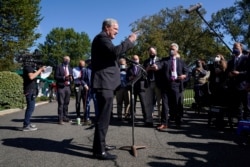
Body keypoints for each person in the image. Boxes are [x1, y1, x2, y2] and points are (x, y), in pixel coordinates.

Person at [91, 18, 137, 160]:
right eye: (115, 29)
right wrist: (129, 41)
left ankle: (101, 145)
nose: (117, 32)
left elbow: (113, 54)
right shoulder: (101, 39)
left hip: (107, 84)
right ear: (107, 28)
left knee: (104, 118)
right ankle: (100, 151)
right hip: (104, 84)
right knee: (103, 118)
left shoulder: (105, 40)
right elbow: (114, 52)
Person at [154, 43, 188, 129]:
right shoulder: (164, 60)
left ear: (177, 50)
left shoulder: (181, 61)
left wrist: (184, 76)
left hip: (177, 85)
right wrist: (156, 66)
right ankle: (164, 123)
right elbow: (159, 65)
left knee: (177, 104)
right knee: (165, 105)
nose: (171, 50)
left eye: (173, 49)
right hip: (166, 86)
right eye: (170, 49)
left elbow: (187, 72)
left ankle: (178, 122)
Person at [225, 42, 249, 125]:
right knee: (237, 107)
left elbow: (248, 72)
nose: (235, 49)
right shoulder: (231, 61)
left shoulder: (246, 59)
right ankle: (239, 123)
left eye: (236, 47)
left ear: (241, 48)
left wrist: (239, 73)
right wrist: (229, 74)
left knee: (246, 106)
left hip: (243, 86)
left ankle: (246, 123)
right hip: (233, 87)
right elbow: (227, 72)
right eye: (233, 47)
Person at [22, 62, 46, 131]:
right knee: (30, 108)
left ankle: (27, 123)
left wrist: (40, 70)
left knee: (31, 108)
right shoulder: (28, 67)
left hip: (31, 90)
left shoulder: (29, 68)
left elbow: (35, 75)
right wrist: (40, 69)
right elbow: (31, 76)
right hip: (29, 90)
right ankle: (26, 125)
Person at [143, 46, 162, 126]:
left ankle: (161, 119)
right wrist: (147, 69)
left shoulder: (160, 60)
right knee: (148, 103)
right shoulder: (146, 61)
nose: (151, 53)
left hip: (158, 83)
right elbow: (142, 73)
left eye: (153, 52)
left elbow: (164, 70)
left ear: (156, 52)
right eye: (150, 52)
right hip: (148, 83)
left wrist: (157, 68)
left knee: (160, 102)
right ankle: (149, 120)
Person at [126, 55, 148, 121]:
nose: (135, 60)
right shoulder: (129, 68)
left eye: (136, 59)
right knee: (132, 103)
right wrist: (129, 78)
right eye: (134, 59)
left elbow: (146, 75)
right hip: (133, 87)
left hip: (141, 87)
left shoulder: (142, 67)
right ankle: (132, 117)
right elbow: (127, 78)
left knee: (143, 103)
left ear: (138, 60)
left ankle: (145, 117)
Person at [54, 56, 73, 125]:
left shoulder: (70, 68)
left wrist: (71, 78)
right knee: (61, 103)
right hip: (61, 87)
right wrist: (64, 77)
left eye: (69, 60)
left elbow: (72, 77)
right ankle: (60, 119)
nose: (68, 61)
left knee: (66, 103)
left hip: (68, 87)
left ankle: (65, 117)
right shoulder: (59, 67)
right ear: (63, 60)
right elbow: (55, 76)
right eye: (66, 59)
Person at [83, 58, 98, 125]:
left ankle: (97, 117)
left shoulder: (96, 69)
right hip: (88, 88)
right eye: (89, 61)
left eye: (91, 61)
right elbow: (82, 80)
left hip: (95, 88)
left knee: (96, 103)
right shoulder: (85, 70)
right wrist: (85, 85)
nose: (90, 62)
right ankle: (87, 117)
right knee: (87, 104)